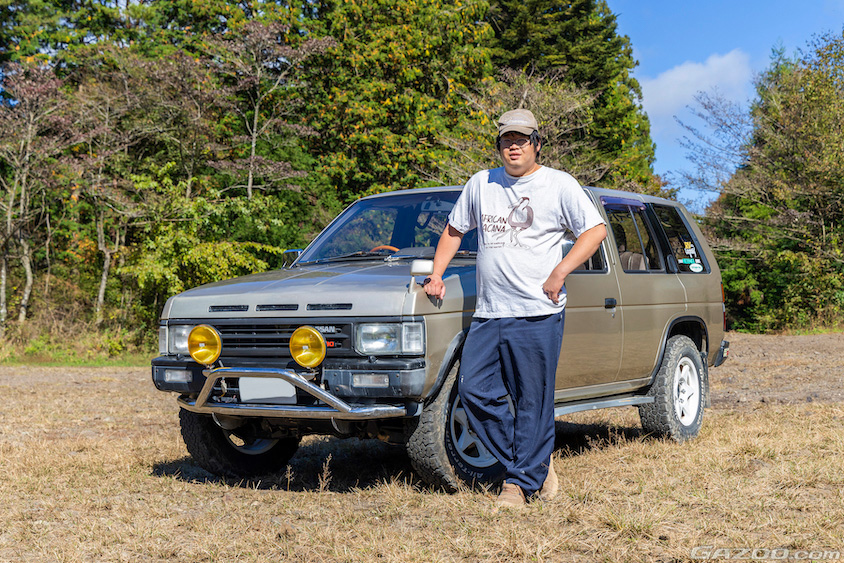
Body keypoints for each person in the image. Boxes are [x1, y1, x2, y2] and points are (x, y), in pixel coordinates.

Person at [423, 109, 607, 508]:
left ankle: (519, 482)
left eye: (522, 139)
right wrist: (436, 274)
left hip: (538, 309)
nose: (514, 145)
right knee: (474, 391)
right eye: (507, 139)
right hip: (490, 312)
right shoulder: (481, 183)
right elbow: (454, 231)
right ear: (499, 145)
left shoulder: (559, 185)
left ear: (537, 143)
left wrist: (560, 271)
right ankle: (535, 462)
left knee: (532, 400)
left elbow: (595, 231)